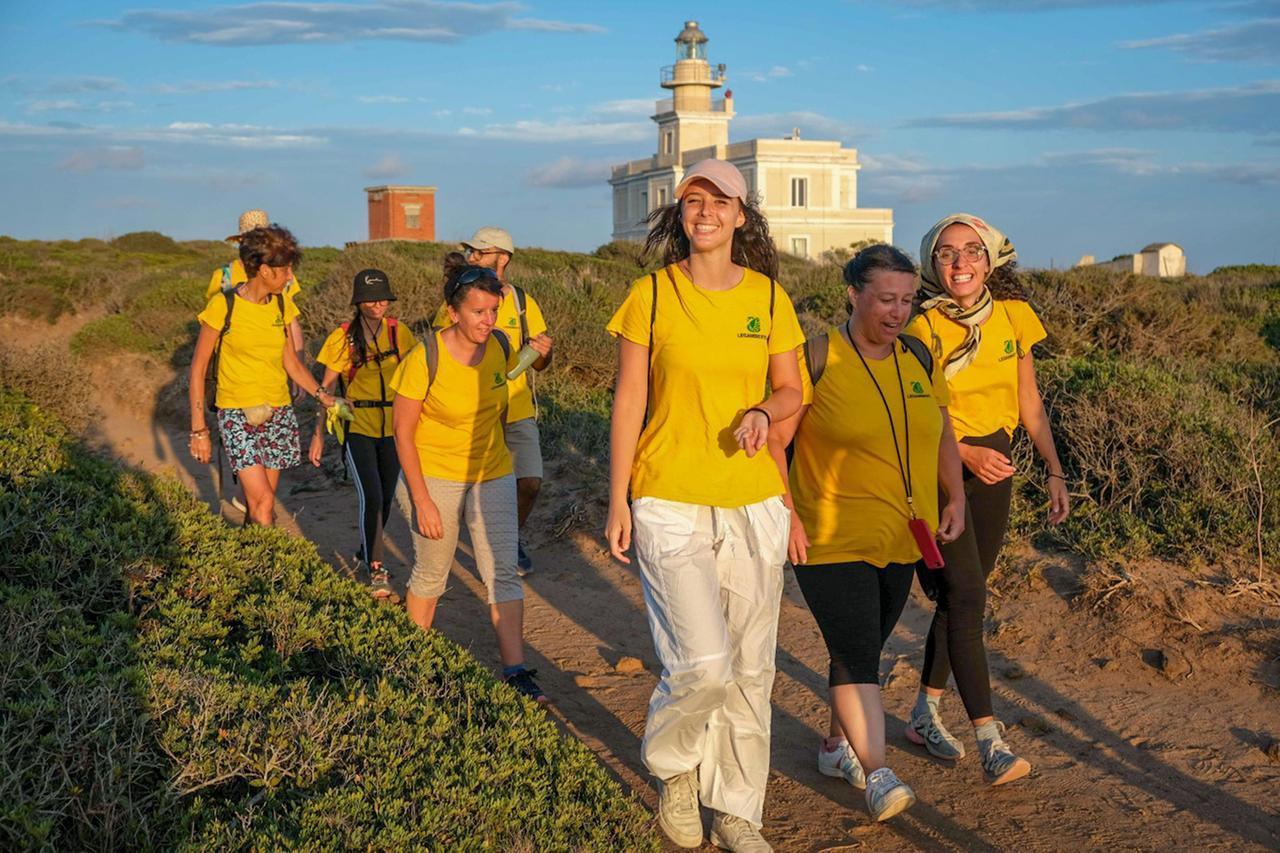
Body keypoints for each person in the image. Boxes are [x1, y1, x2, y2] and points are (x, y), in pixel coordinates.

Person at [605, 158, 804, 853]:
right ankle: (675, 767)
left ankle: (739, 807)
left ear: (741, 216)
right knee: (703, 664)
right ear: (681, 213)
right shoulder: (651, 295)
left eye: (720, 201)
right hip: (667, 496)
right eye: (694, 200)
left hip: (753, 502)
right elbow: (628, 399)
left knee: (751, 667)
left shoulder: (769, 299)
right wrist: (619, 495)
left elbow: (792, 392)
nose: (706, 211)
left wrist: (762, 411)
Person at [767, 245, 966, 822]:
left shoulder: (920, 358)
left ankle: (836, 747)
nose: (898, 311)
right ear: (853, 294)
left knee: (862, 648)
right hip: (829, 536)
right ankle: (877, 773)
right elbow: (778, 443)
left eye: (906, 299)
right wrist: (789, 515)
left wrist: (953, 495)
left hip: (903, 536)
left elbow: (942, 433)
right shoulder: (818, 357)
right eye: (885, 299)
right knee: (856, 653)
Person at [902, 213, 1071, 785]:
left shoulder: (1016, 316)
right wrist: (964, 457)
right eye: (947, 253)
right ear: (931, 262)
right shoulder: (919, 325)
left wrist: (1053, 468)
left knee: (962, 598)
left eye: (972, 251)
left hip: (995, 463)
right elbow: (925, 411)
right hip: (939, 463)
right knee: (968, 591)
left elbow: (1028, 398)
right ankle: (990, 740)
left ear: (991, 258)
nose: (960, 263)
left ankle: (924, 711)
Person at [391, 261, 551, 703]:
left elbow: (511, 386)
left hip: (491, 470)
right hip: (434, 475)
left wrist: (540, 351)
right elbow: (402, 431)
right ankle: (410, 665)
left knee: (502, 573)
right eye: (478, 312)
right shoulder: (426, 356)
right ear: (453, 311)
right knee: (433, 572)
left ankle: (515, 672)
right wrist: (421, 499)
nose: (488, 321)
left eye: (493, 311)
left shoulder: (500, 344)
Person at [188, 224, 338, 526]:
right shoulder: (224, 305)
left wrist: (324, 397)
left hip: (278, 412)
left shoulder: (281, 304)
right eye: (285, 271)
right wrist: (199, 431)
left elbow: (292, 365)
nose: (290, 277)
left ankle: (252, 562)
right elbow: (198, 368)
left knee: (262, 504)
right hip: (236, 413)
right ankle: (272, 568)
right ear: (265, 270)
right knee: (263, 500)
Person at [434, 227, 551, 576]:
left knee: (530, 482)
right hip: (474, 411)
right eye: (471, 251)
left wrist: (543, 353)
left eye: (480, 252)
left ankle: (508, 539)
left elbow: (542, 363)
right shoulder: (458, 299)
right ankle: (481, 545)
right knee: (471, 488)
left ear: (503, 257)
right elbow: (445, 349)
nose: (472, 256)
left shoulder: (522, 302)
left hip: (517, 409)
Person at [309, 268, 416, 598]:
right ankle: (376, 569)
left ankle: (367, 547)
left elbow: (417, 378)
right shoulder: (342, 337)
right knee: (371, 496)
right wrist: (316, 434)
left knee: (385, 497)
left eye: (383, 297)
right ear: (358, 302)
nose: (378, 304)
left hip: (394, 428)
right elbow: (325, 389)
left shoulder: (400, 333)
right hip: (358, 425)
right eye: (370, 299)